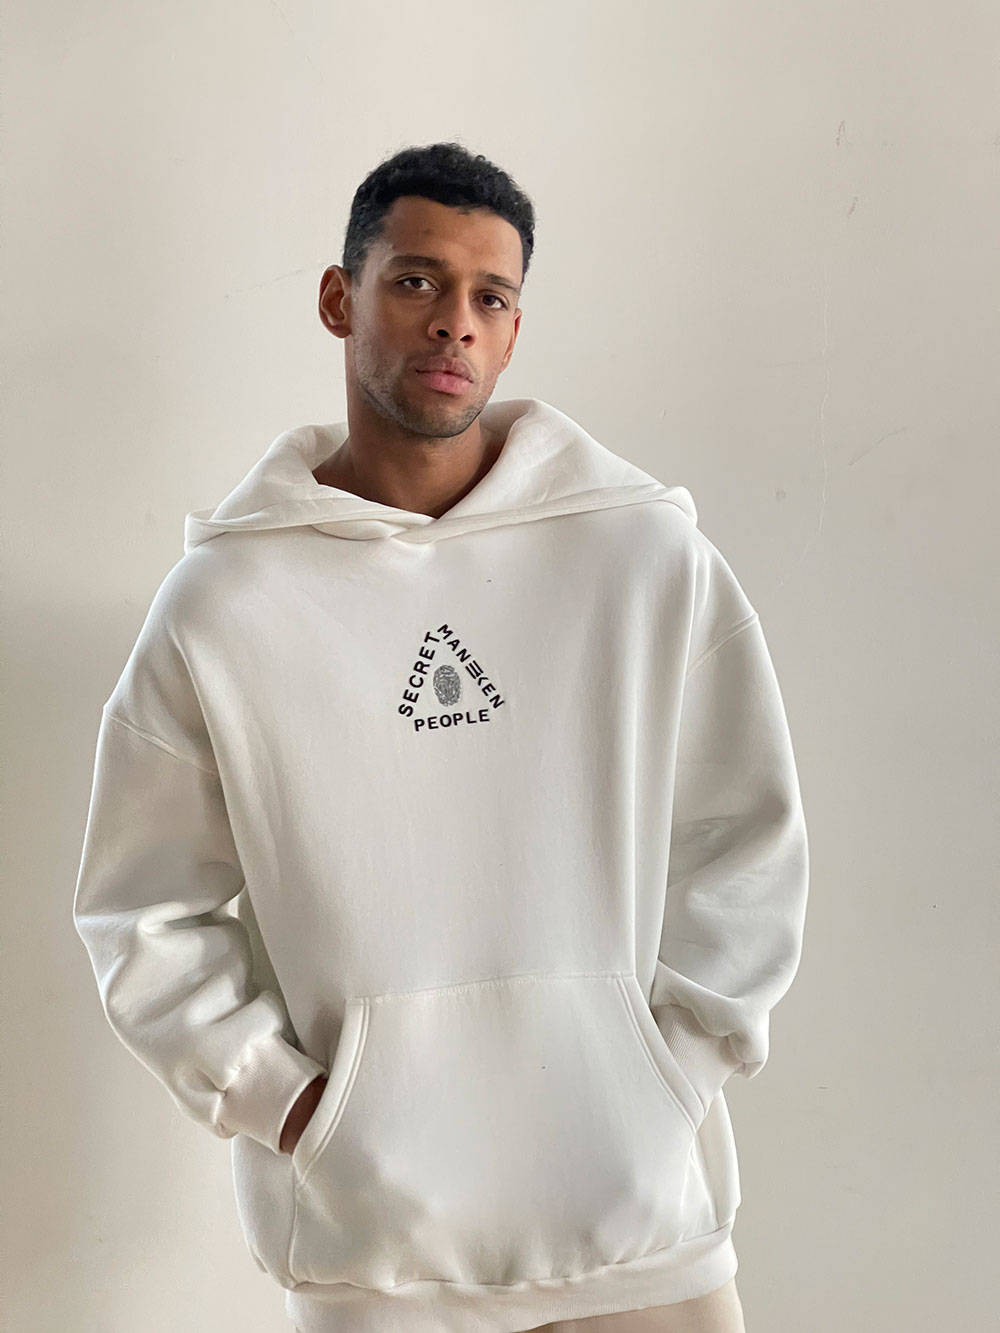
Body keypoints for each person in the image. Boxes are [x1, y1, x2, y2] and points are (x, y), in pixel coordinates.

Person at [73, 141, 809, 1333]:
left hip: (644, 1235)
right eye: (415, 280)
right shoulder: (225, 607)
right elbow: (142, 909)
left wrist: (666, 1076)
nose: (454, 321)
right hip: (378, 1256)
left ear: (513, 332)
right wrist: (298, 1107)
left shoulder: (643, 559)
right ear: (339, 298)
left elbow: (748, 836)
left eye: (490, 296)